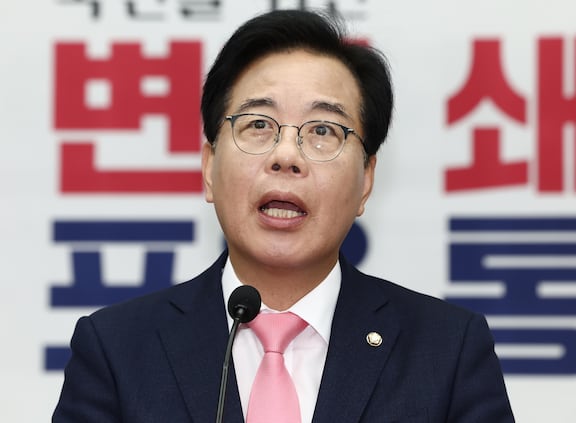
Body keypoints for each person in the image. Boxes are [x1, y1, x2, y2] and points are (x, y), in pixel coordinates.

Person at [53, 9, 515, 423]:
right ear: (209, 168)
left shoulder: (447, 351)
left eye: (323, 130)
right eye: (258, 124)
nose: (287, 156)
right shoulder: (117, 349)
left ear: (366, 180)